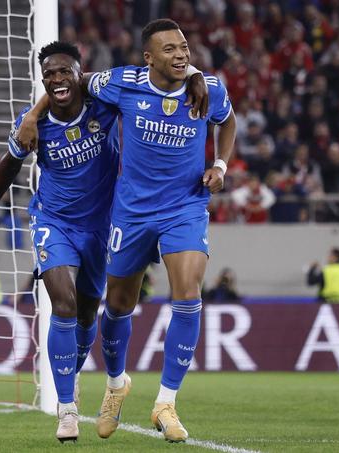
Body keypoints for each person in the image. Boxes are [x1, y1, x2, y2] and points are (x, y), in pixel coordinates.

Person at [0, 41, 207, 442]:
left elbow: (150, 79)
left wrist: (193, 73)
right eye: (49, 74)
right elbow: (10, 163)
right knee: (63, 304)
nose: (57, 79)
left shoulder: (103, 103)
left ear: (79, 74)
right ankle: (66, 410)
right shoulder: (32, 123)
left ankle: (91, 378)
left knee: (86, 316)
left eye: (64, 71)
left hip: (103, 225)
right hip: (54, 221)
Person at [83, 19, 236, 443]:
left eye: (184, 47)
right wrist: (34, 116)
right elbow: (73, 82)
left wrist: (220, 165)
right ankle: (116, 385)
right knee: (118, 304)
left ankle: (166, 403)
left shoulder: (208, 88)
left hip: (185, 207)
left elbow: (228, 121)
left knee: (187, 293)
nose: (181, 54)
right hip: (131, 212)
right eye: (169, 49)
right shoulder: (122, 83)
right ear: (148, 58)